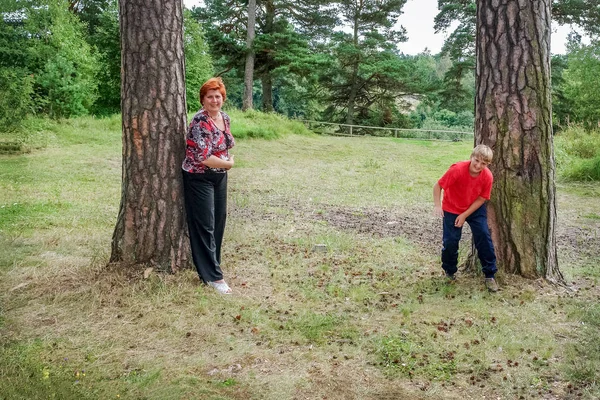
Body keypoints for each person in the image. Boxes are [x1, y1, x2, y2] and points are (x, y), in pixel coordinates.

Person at [182, 77, 235, 294]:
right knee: (205, 225)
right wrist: (228, 164)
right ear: (203, 100)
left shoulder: (224, 117)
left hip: (219, 176)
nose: (215, 100)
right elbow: (203, 157)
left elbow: (227, 142)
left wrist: (225, 162)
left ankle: (214, 264)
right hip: (199, 176)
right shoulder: (199, 122)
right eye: (210, 97)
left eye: (218, 96)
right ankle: (213, 278)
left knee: (219, 221)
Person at [432, 144, 499, 292]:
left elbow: (482, 198)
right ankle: (449, 272)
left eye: (483, 163)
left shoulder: (487, 176)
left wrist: (464, 215)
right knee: (450, 241)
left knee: (483, 235)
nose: (478, 165)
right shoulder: (457, 169)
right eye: (476, 160)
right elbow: (438, 186)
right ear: (471, 157)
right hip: (452, 207)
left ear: (487, 164)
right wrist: (437, 205)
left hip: (474, 208)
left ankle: (490, 274)